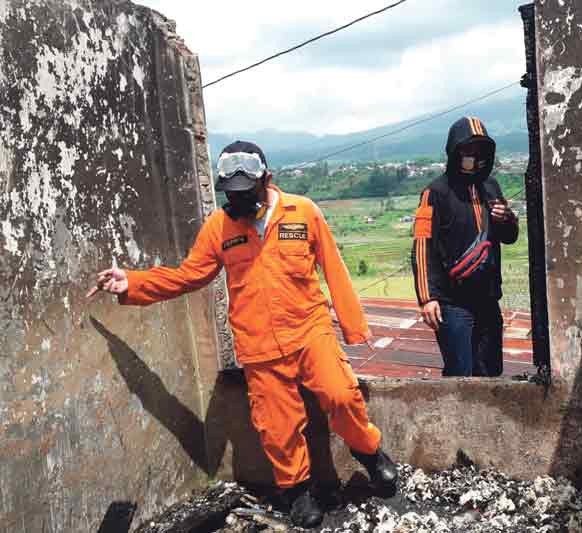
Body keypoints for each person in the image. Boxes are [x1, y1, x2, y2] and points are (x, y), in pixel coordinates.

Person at [87, 141, 397, 529]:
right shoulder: (219, 226)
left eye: (244, 193)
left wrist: (354, 327)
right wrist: (131, 282)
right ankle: (298, 492)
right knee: (276, 425)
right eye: (229, 194)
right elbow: (188, 276)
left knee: (340, 394)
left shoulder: (303, 212)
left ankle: (371, 454)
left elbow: (333, 267)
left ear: (266, 179)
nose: (237, 203)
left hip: (309, 330)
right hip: (259, 343)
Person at [411, 117, 519, 377]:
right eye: (468, 150)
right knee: (460, 373)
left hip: (488, 299)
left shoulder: (491, 187)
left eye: (480, 151)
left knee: (491, 371)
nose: (474, 156)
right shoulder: (436, 192)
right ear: (454, 151)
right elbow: (422, 245)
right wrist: (427, 298)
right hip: (452, 303)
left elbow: (510, 237)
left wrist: (508, 219)